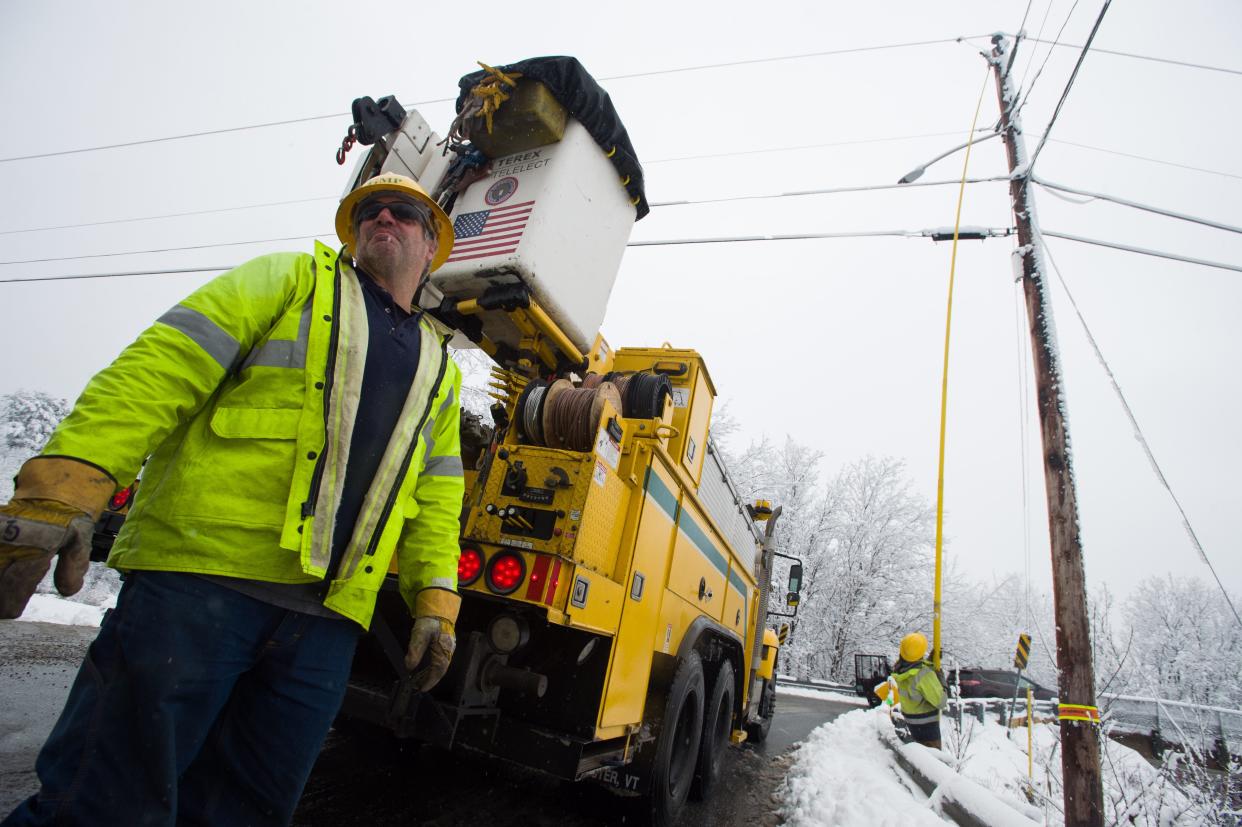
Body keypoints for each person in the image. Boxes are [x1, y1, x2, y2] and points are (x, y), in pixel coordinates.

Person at [0, 172, 465, 826]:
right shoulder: (289, 281)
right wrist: (67, 482)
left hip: (327, 624)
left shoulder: (439, 367)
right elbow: (165, 365)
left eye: (404, 212)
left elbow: (437, 496)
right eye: (369, 211)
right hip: (198, 582)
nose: (383, 218)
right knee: (100, 804)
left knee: (241, 814)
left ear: (433, 242)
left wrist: (435, 600)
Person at [888, 632, 948, 749]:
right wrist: (941, 679)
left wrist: (930, 662)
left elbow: (916, 671)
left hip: (913, 726)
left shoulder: (900, 670)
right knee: (930, 764)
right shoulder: (924, 675)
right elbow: (942, 702)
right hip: (929, 729)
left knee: (920, 756)